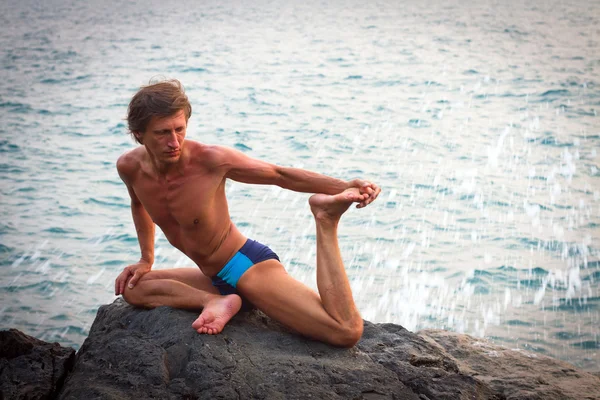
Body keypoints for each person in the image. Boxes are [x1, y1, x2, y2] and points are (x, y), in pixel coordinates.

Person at [114, 79, 381, 347]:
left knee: (345, 331)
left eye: (180, 129)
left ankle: (326, 219)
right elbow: (138, 204)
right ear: (139, 134)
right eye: (162, 133)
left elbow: (279, 174)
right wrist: (145, 259)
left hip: (244, 265)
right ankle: (216, 302)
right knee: (132, 288)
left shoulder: (210, 160)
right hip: (212, 279)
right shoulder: (130, 167)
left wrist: (344, 186)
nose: (174, 142)